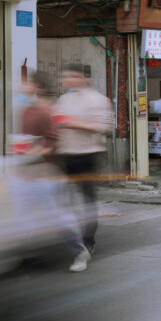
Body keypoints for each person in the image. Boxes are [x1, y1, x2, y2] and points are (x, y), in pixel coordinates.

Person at [16, 71, 87, 272]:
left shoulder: (48, 111)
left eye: (26, 83)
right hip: (27, 173)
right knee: (24, 218)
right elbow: (25, 139)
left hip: (47, 173)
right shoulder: (26, 111)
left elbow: (53, 142)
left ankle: (79, 252)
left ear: (37, 87)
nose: (22, 87)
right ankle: (27, 258)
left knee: (59, 218)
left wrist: (37, 152)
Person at [54, 64, 114, 259]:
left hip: (88, 155)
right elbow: (55, 121)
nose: (68, 80)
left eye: (72, 76)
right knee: (65, 201)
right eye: (66, 76)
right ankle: (71, 239)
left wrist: (73, 124)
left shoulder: (98, 100)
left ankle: (89, 240)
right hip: (66, 154)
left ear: (84, 77)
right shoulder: (64, 99)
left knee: (87, 202)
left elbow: (105, 127)